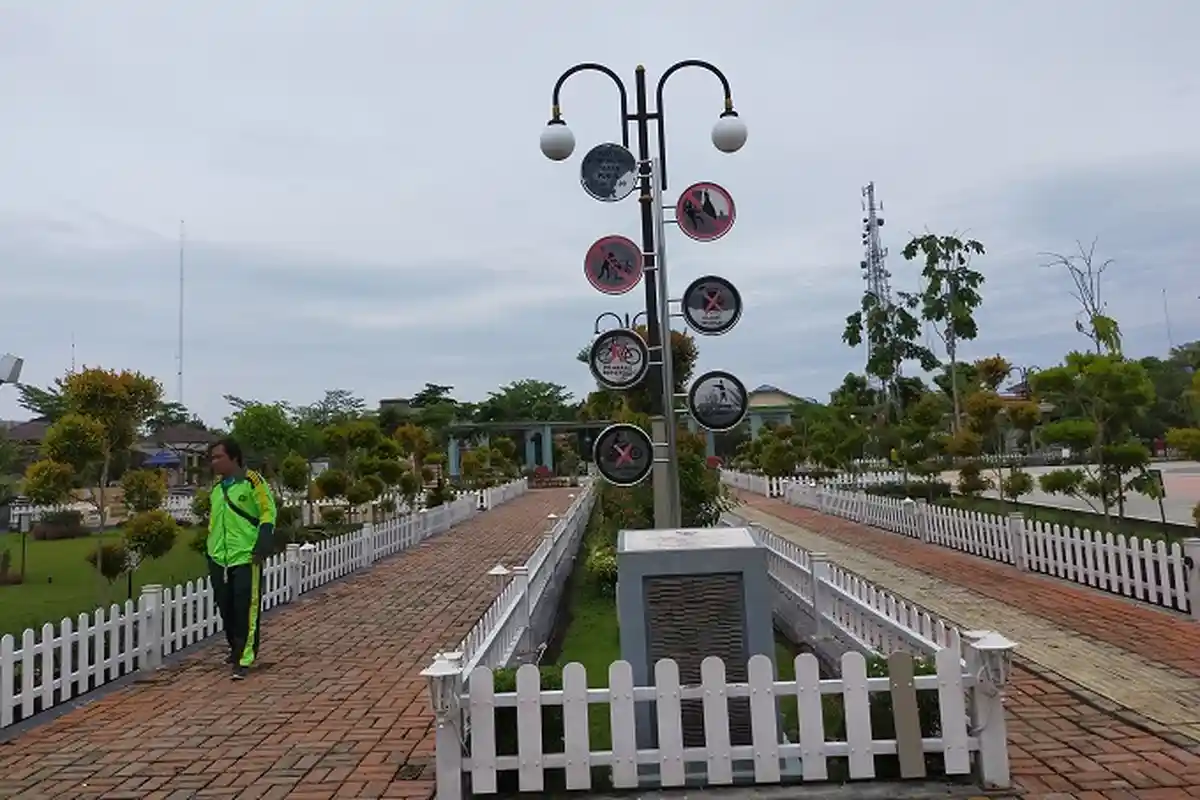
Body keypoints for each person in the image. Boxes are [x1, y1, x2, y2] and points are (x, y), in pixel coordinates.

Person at [206, 437, 276, 679]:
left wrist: (262, 543)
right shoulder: (216, 489)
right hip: (218, 558)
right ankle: (234, 647)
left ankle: (245, 657)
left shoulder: (252, 482)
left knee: (246, 607)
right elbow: (214, 522)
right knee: (226, 608)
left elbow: (268, 512)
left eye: (218, 457)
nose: (214, 462)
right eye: (212, 458)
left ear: (234, 457)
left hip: (246, 555)